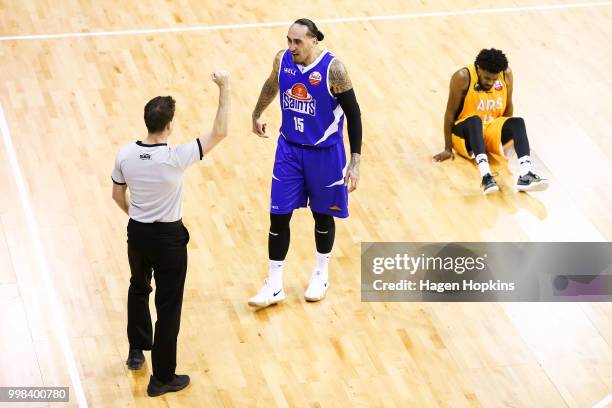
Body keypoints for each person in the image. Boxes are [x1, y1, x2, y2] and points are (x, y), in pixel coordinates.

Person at [111, 70, 230, 397]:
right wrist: (225, 87)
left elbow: (117, 195)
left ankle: (137, 350)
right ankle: (162, 378)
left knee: (138, 286)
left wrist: (136, 216)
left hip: (137, 234)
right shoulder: (177, 157)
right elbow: (221, 131)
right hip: (168, 240)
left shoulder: (126, 154)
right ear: (169, 126)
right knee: (168, 307)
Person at [248, 18, 362, 308]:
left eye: (297, 41)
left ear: (314, 40)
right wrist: (257, 113)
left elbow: (354, 114)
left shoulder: (333, 69)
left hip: (324, 153)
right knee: (278, 215)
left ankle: (321, 273)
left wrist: (355, 161)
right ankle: (274, 284)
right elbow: (272, 84)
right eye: (289, 40)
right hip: (289, 150)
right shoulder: (282, 59)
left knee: (322, 216)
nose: (291, 46)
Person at [433, 48, 549, 194]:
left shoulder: (506, 74)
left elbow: (508, 104)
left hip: (489, 131)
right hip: (464, 132)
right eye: (487, 78)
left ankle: (526, 174)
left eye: (494, 79)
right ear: (479, 68)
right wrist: (447, 148)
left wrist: (505, 130)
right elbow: (449, 113)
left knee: (518, 122)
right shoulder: (463, 77)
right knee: (475, 120)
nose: (491, 83)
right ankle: (486, 176)